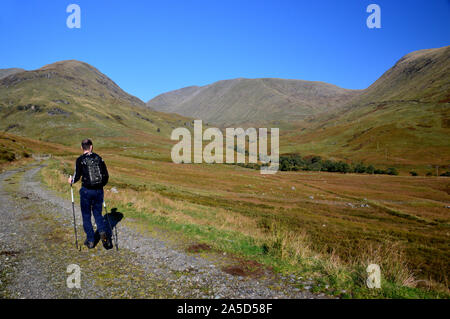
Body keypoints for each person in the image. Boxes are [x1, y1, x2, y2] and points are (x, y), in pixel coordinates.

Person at [68, 138, 111, 249]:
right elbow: (106, 176)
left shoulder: (80, 160)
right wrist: (100, 185)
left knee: (86, 216)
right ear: (91, 147)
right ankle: (103, 234)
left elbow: (76, 176)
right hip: (98, 191)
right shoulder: (99, 158)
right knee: (98, 214)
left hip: (86, 191)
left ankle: (91, 241)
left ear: (82, 148)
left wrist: (71, 181)